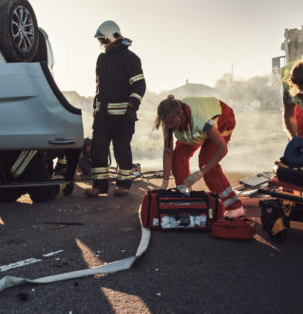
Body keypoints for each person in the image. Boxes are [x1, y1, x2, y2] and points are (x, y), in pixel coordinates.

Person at [155, 95, 245, 218]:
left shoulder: (201, 121)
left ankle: (235, 207)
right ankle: (185, 200)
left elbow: (222, 149)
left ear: (180, 114)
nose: (169, 127)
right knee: (178, 156)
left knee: (206, 161)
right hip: (194, 127)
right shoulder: (170, 119)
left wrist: (200, 173)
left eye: (171, 123)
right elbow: (168, 151)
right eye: (166, 124)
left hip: (223, 119)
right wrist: (165, 181)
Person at [85, 21, 146, 197]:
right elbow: (100, 88)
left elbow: (139, 85)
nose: (102, 44)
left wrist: (133, 105)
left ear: (112, 37)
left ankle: (124, 185)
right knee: (98, 150)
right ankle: (100, 186)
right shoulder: (102, 59)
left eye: (103, 40)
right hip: (103, 116)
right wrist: (96, 108)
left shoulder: (130, 58)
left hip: (123, 117)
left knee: (122, 150)